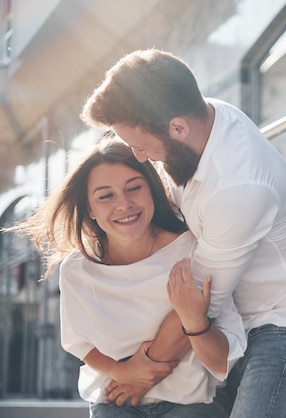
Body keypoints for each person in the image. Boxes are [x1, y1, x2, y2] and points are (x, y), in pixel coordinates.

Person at [81, 48, 286, 418]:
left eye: (142, 146)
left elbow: (201, 295)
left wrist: (141, 373)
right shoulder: (201, 120)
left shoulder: (238, 188)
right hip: (232, 326)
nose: (140, 157)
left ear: (177, 128)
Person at [6, 136, 245, 418]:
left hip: (190, 403)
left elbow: (221, 354)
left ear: (152, 190)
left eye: (134, 188)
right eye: (106, 196)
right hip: (114, 402)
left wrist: (147, 373)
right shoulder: (76, 270)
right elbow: (81, 344)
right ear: (90, 209)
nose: (124, 204)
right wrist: (124, 372)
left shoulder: (193, 251)